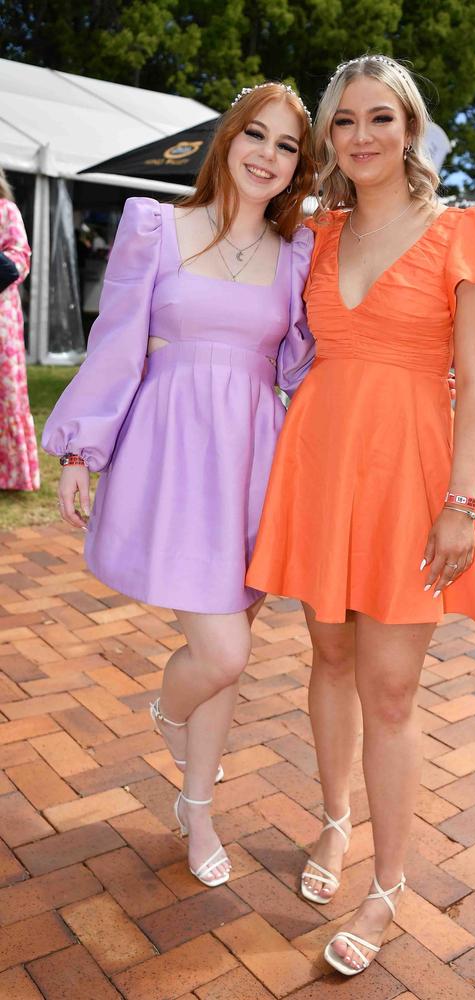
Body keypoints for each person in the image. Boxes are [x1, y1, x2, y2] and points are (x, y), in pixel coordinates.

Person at [246, 54, 475, 975]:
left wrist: (462, 503)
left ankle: (388, 885)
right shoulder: (316, 234)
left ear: (411, 128)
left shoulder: (469, 235)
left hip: (414, 479)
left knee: (392, 690)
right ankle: (333, 824)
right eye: (343, 121)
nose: (361, 135)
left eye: (381, 117)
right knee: (327, 656)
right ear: (329, 137)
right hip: (322, 466)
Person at [42, 82, 315, 888]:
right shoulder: (156, 226)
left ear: (299, 164)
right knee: (221, 650)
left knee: (225, 648)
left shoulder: (295, 251)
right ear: (228, 138)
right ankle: (171, 713)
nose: (267, 154)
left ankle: (196, 811)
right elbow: (118, 343)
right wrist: (79, 448)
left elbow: (304, 361)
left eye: (288, 145)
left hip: (250, 464)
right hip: (172, 454)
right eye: (256, 135)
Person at [0, 168, 40, 491]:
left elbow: (20, 260)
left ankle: (11, 474)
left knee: (7, 392)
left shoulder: (6, 210)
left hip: (2, 316)